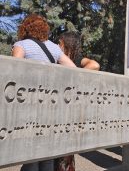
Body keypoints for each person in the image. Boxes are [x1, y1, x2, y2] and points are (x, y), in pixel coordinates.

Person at [12, 14, 76, 171]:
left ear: (25, 28)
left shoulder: (21, 45)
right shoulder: (54, 47)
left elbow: (14, 70)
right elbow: (73, 69)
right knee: (46, 154)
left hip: (29, 103)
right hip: (50, 105)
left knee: (31, 156)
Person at [53, 31, 100, 171]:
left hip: (68, 111)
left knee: (65, 153)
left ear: (67, 44)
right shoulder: (55, 58)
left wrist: (75, 75)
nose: (57, 45)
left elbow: (95, 65)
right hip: (55, 107)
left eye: (60, 43)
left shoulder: (77, 60)